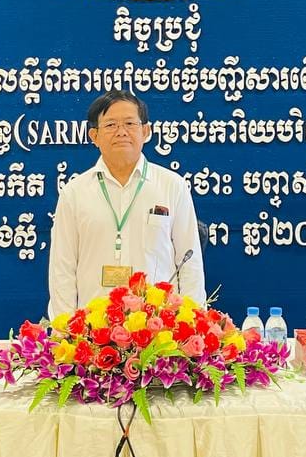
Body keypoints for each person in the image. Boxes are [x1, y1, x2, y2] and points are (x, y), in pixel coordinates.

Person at [48, 89, 206, 317]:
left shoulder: (172, 186)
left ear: (145, 131)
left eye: (130, 123)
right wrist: (66, 328)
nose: (121, 132)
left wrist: (192, 322)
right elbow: (62, 268)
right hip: (93, 328)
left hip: (158, 328)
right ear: (94, 136)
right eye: (111, 125)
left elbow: (190, 264)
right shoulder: (74, 192)